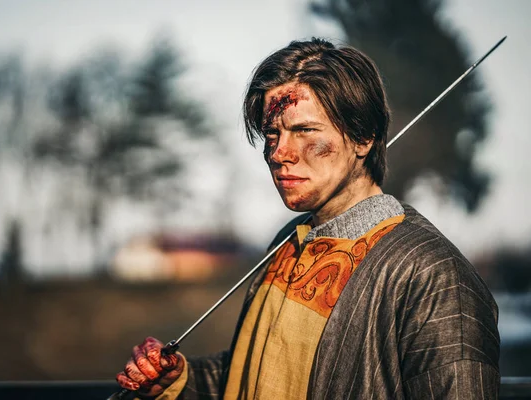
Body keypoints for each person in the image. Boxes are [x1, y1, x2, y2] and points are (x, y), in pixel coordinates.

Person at [114, 38, 500, 399]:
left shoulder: (434, 276)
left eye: (304, 131)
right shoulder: (288, 241)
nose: (280, 152)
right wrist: (178, 379)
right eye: (271, 133)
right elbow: (253, 376)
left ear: (363, 137)